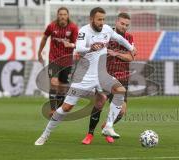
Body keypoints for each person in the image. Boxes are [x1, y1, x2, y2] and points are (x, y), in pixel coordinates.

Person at [34, 7, 136, 146]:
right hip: (84, 77)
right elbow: (79, 48)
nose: (102, 22)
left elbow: (119, 38)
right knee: (66, 108)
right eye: (99, 19)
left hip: (101, 75)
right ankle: (45, 135)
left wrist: (131, 48)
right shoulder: (84, 31)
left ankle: (108, 126)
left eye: (103, 19)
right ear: (91, 19)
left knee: (120, 91)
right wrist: (91, 47)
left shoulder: (106, 29)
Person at [82, 12, 135, 145]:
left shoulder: (129, 37)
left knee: (122, 111)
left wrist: (116, 53)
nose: (124, 27)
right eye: (122, 24)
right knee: (100, 102)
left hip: (122, 77)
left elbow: (131, 57)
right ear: (116, 22)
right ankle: (90, 134)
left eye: (127, 25)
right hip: (105, 75)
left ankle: (107, 127)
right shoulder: (105, 33)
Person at [38, 7, 78, 115]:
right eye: (60, 14)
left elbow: (77, 44)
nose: (62, 16)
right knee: (54, 83)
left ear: (68, 16)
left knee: (62, 87)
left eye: (64, 14)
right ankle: (52, 109)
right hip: (54, 59)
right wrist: (39, 52)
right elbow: (44, 38)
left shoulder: (73, 27)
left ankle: (59, 110)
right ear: (57, 15)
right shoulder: (51, 26)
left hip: (67, 61)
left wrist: (70, 44)